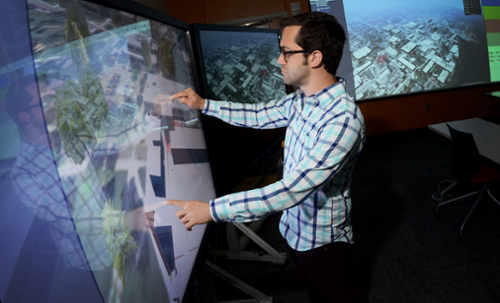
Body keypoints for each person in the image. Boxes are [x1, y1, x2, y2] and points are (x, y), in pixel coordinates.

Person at [168, 12, 368, 303]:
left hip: (322, 244)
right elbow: (259, 115)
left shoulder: (343, 120)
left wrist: (211, 211)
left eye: (287, 53)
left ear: (314, 58)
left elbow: (290, 192)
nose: (279, 61)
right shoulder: (302, 99)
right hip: (294, 231)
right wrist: (204, 104)